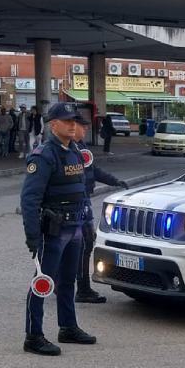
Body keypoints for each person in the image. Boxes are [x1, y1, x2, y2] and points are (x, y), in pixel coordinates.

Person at [20, 102, 99, 356]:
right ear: (53, 125)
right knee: (43, 283)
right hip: (54, 231)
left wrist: (86, 222)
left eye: (75, 120)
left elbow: (81, 190)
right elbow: (29, 200)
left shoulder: (74, 151)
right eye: (67, 121)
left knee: (68, 282)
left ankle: (68, 327)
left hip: (75, 227)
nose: (73, 124)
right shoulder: (44, 156)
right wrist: (33, 237)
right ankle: (33, 336)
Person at [70, 109, 128, 304]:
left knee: (78, 245)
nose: (86, 128)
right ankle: (80, 289)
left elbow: (92, 170)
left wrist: (115, 181)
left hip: (83, 202)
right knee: (75, 245)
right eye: (82, 125)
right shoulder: (67, 148)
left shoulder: (79, 146)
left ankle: (72, 286)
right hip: (74, 205)